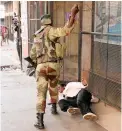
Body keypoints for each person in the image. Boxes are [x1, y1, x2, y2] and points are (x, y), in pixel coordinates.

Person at [30, 4, 79, 129]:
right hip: (53, 65)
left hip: (40, 67)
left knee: (41, 93)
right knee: (53, 88)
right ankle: (53, 109)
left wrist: (35, 65)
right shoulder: (51, 30)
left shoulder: (36, 35)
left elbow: (32, 54)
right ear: (50, 22)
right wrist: (72, 16)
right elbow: (65, 30)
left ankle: (40, 121)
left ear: (41, 23)